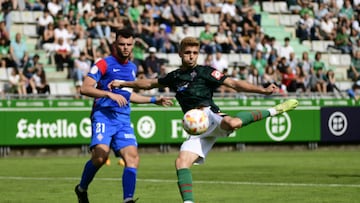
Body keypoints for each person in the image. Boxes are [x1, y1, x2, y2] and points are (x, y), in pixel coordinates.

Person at [109, 37, 299, 203]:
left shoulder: (206, 71)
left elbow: (233, 84)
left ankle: (274, 110)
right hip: (196, 128)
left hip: (209, 116)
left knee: (233, 123)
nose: (192, 56)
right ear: (180, 54)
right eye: (188, 52)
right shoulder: (175, 76)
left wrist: (262, 90)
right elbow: (149, 83)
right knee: (181, 163)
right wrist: (123, 83)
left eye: (195, 53)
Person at [74, 29, 173, 203]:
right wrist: (108, 94)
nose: (125, 47)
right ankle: (81, 189)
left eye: (129, 44)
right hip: (103, 116)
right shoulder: (103, 64)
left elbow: (128, 95)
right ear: (115, 44)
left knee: (132, 158)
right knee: (100, 156)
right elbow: (85, 88)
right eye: (122, 44)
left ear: (133, 45)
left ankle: (128, 200)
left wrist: (153, 100)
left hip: (123, 120)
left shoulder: (132, 68)